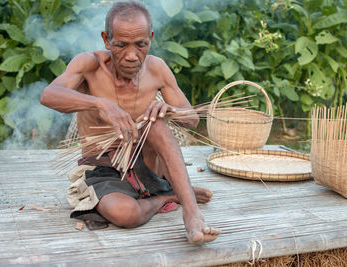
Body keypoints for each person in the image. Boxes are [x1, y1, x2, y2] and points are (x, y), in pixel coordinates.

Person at [40, 1, 221, 245]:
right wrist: (100, 104)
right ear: (106, 39)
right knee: (125, 214)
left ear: (151, 38)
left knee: (154, 123)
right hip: (103, 168)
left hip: (147, 164)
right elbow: (49, 95)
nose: (132, 56)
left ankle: (191, 214)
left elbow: (192, 119)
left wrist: (171, 110)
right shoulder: (89, 65)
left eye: (141, 44)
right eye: (121, 45)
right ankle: (171, 197)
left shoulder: (157, 68)